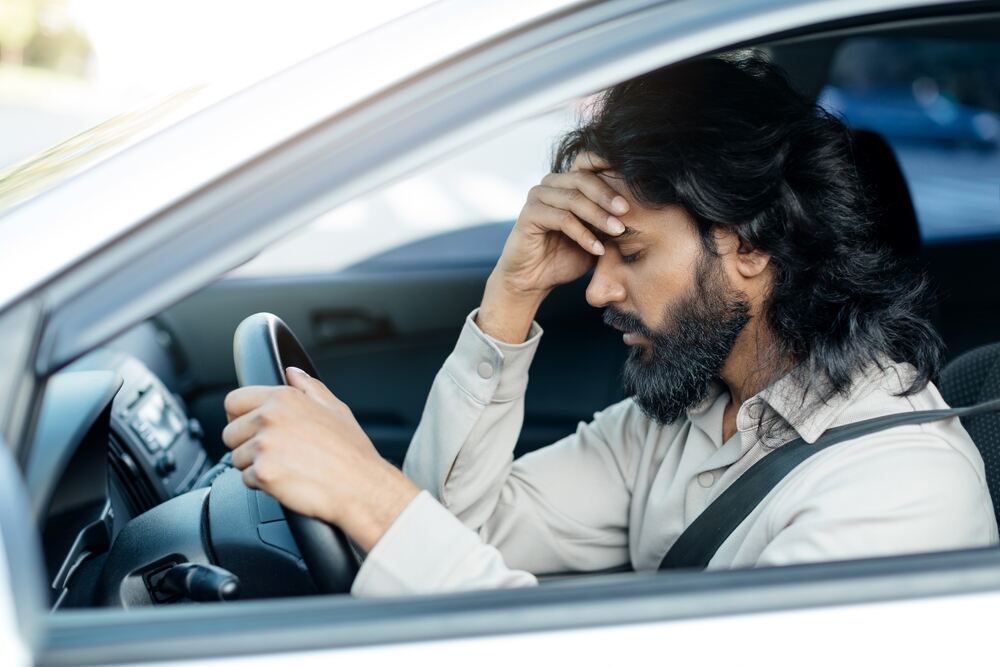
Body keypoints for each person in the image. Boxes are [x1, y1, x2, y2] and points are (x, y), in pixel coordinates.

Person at [221, 54, 998, 596]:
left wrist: (372, 497)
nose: (595, 290)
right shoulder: (693, 409)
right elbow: (458, 527)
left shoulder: (899, 492)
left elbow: (410, 532)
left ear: (752, 245)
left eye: (627, 250)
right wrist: (511, 295)